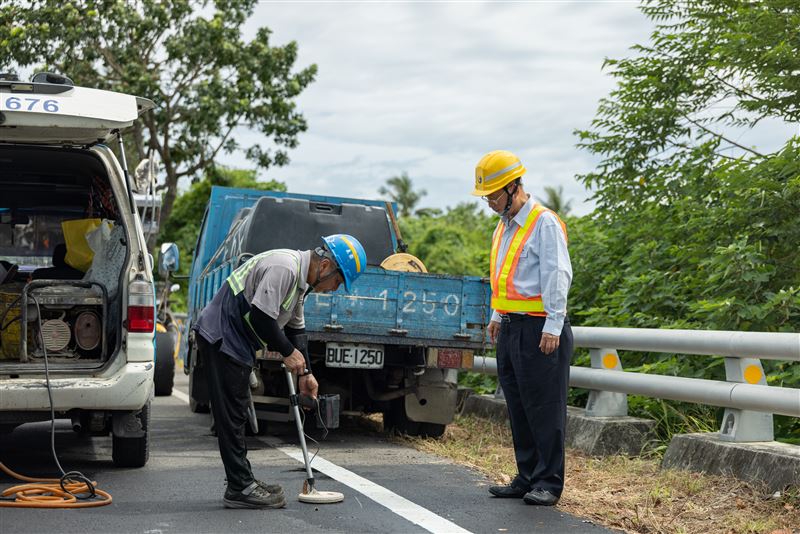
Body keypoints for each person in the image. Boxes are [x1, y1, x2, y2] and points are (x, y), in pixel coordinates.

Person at [192, 234, 368, 509]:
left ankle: (243, 480)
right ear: (324, 266)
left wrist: (306, 374)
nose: (334, 289)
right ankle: (239, 487)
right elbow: (261, 317)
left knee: (237, 413)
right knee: (232, 415)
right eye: (338, 281)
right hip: (222, 335)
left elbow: (296, 330)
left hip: (236, 339)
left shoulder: (300, 283)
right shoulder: (284, 267)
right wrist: (287, 352)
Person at [472, 150, 573, 506]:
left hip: (540, 329)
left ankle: (548, 482)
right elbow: (505, 277)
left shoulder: (544, 223)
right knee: (519, 406)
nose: (490, 204)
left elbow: (557, 274)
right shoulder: (504, 226)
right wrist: (497, 315)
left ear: (514, 187)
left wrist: (554, 325)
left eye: (493, 196)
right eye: (486, 197)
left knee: (545, 407)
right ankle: (527, 475)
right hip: (511, 327)